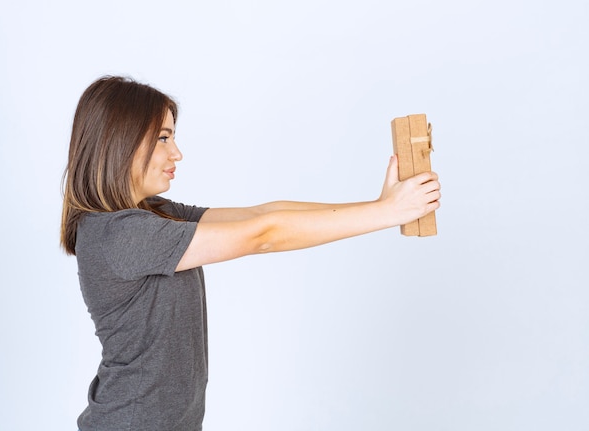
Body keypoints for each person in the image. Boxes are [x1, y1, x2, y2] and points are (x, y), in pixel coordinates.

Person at [60, 76, 441, 431]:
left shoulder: (155, 214)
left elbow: (263, 214)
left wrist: (380, 206)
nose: (177, 153)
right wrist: (386, 213)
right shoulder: (121, 234)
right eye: (163, 138)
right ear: (120, 140)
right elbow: (263, 236)